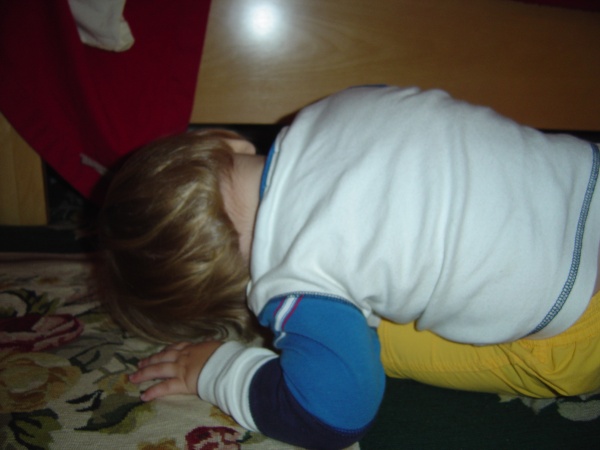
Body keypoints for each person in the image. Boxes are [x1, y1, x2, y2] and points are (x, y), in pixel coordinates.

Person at [99, 85, 600, 450]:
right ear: (227, 142)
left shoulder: (293, 284)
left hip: (583, 326)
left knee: (377, 345)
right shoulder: (331, 106)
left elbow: (333, 417)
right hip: (588, 176)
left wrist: (218, 369)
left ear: (236, 294)